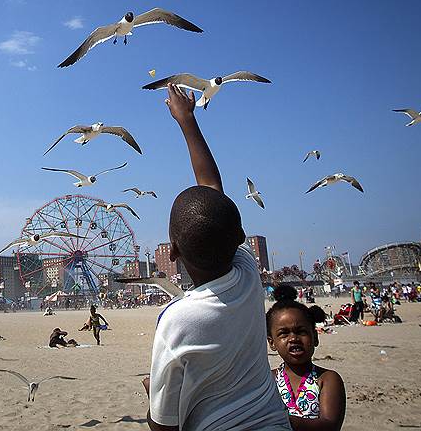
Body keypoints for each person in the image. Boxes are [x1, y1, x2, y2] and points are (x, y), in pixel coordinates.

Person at [144, 85, 291, 431]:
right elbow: (212, 189)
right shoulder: (248, 273)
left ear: (173, 253)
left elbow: (164, 426)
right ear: (240, 238)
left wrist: (149, 395)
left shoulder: (177, 320)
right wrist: (188, 119)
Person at [267, 285, 346, 430]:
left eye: (301, 331)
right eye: (284, 333)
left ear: (315, 337)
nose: (293, 339)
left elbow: (330, 425)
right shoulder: (268, 380)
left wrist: (277, 420)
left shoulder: (327, 379)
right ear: (272, 342)